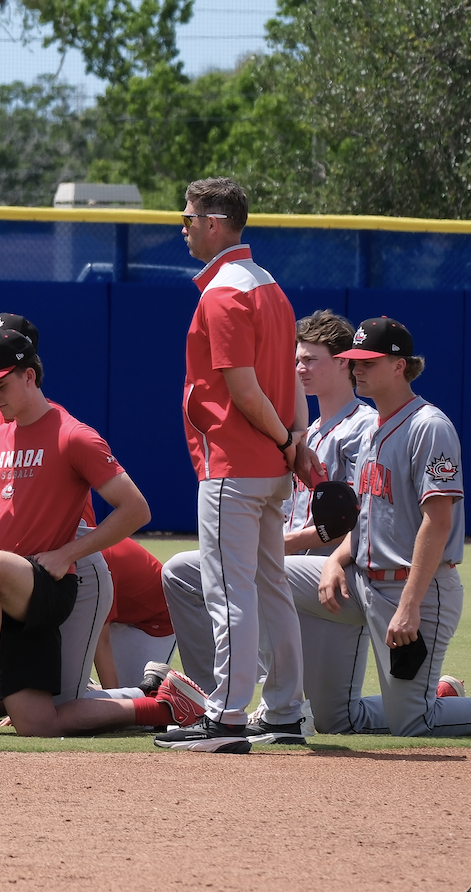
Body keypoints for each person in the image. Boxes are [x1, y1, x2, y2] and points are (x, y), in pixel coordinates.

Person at [0, 327, 198, 740]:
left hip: (49, 582)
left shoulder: (73, 434)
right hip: (11, 586)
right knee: (39, 723)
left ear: (29, 376)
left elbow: (136, 509)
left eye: (0, 385)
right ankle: (164, 707)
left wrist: (69, 552)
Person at [165, 306, 371, 736]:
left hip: (342, 575)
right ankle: (213, 696)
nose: (299, 367)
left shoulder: (364, 427)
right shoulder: (306, 428)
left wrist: (286, 542)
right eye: (296, 358)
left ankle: (443, 695)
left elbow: (363, 517)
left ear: (343, 362)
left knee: (343, 718)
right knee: (184, 570)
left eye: (310, 358)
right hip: (298, 574)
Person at [173, 175, 312, 749]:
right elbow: (288, 380)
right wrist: (296, 441)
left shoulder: (225, 291)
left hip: (236, 462)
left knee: (229, 590)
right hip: (269, 466)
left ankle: (226, 714)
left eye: (187, 217)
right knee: (269, 586)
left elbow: (245, 388)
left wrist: (284, 439)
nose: (181, 227)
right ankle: (282, 710)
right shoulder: (270, 286)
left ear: (213, 222)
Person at [317, 316, 471, 738]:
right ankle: (273, 704)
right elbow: (367, 518)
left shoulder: (429, 426)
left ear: (400, 366)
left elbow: (438, 522)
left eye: (368, 361)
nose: (356, 369)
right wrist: (335, 559)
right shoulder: (371, 429)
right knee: (331, 719)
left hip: (413, 590)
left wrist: (409, 605)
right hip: (363, 580)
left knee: (413, 723)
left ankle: (428, 701)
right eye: (353, 361)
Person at [94, 536, 177, 691]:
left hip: (154, 621)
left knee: (136, 696)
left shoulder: (99, 561)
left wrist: (115, 708)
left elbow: (100, 640)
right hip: (117, 613)